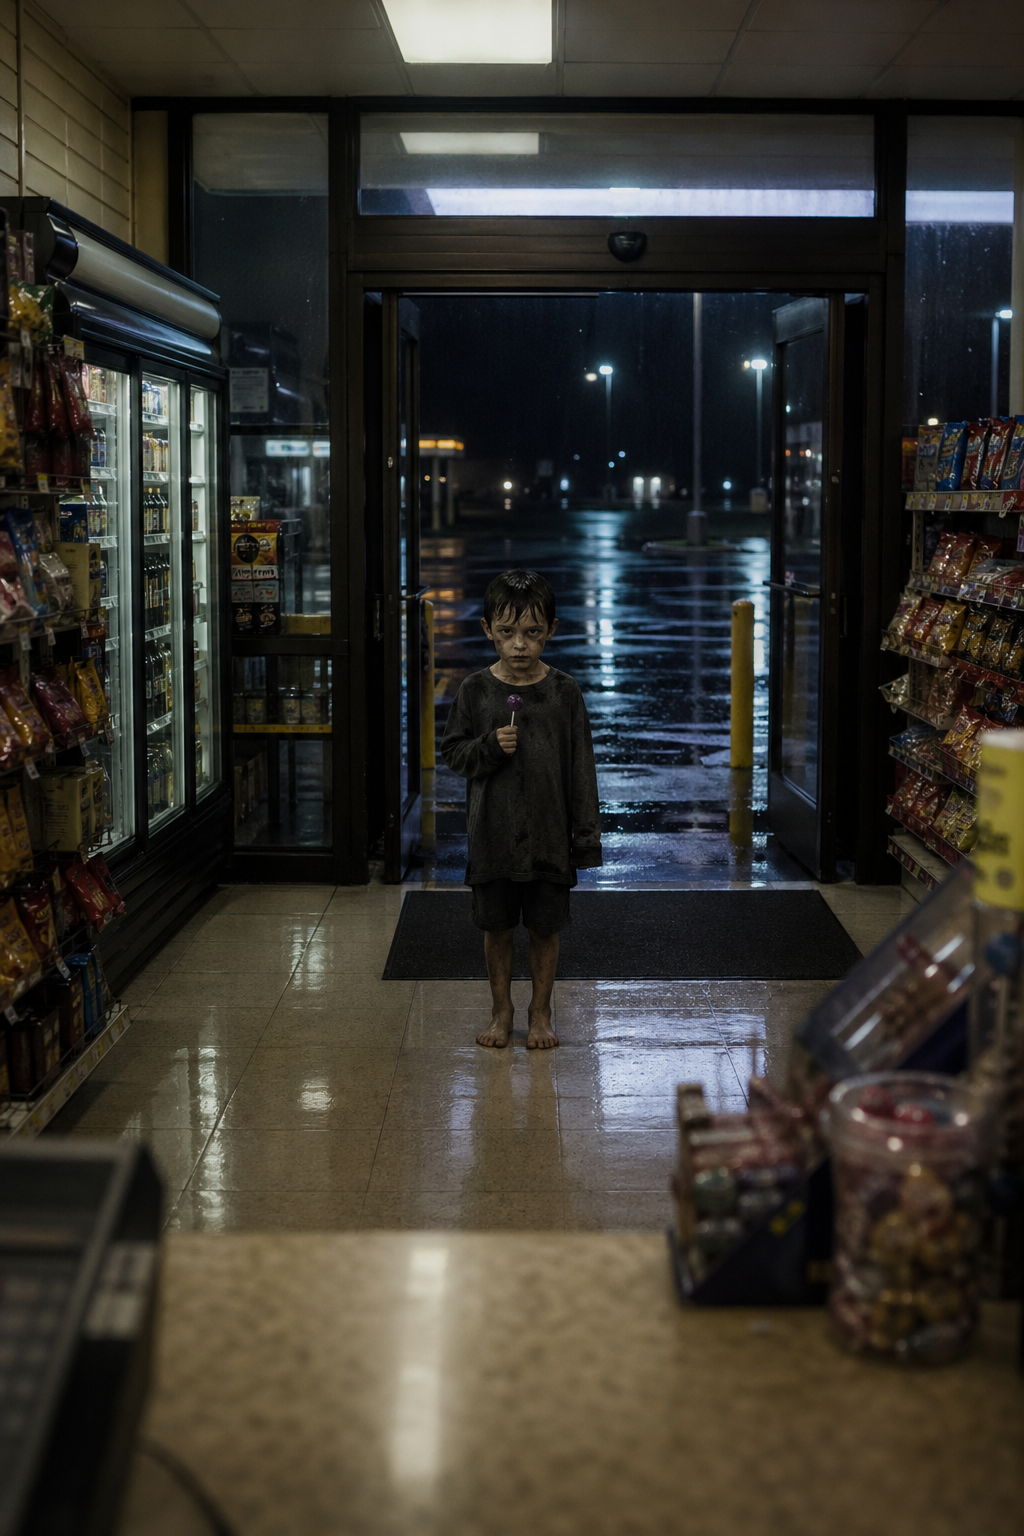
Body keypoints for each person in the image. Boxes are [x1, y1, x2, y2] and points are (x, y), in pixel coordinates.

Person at [441, 568, 602, 1049]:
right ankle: (501, 1010)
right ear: (488, 628)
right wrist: (489, 746)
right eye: (507, 633)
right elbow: (454, 753)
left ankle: (540, 1011)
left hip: (549, 837)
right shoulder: (475, 690)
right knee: (496, 927)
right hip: (491, 835)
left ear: (551, 630)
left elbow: (581, 769)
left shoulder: (563, 692)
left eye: (532, 634)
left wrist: (586, 837)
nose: (519, 646)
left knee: (546, 928)